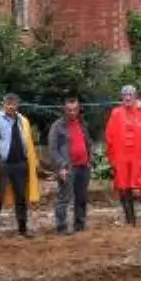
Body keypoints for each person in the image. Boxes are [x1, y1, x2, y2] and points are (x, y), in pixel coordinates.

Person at [0, 93, 41, 238]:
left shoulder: (23, 121)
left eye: (13, 104)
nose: (11, 107)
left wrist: (31, 161)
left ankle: (22, 228)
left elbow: (28, 141)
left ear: (17, 105)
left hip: (20, 162)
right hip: (3, 163)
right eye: (8, 104)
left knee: (21, 196)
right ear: (4, 104)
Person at [104, 85, 141, 225]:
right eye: (125, 95)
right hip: (122, 158)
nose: (127, 97)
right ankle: (130, 222)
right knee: (123, 187)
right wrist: (112, 159)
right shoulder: (116, 113)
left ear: (135, 96)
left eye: (130, 95)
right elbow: (109, 137)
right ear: (121, 97)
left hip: (140, 157)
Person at [48, 96, 92, 235]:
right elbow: (53, 149)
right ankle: (61, 227)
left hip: (83, 166)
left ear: (79, 109)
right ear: (64, 110)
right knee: (64, 197)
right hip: (67, 167)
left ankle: (79, 225)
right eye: (69, 110)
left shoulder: (82, 123)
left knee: (82, 197)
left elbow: (87, 142)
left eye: (75, 110)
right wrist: (60, 166)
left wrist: (90, 159)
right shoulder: (57, 126)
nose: (72, 112)